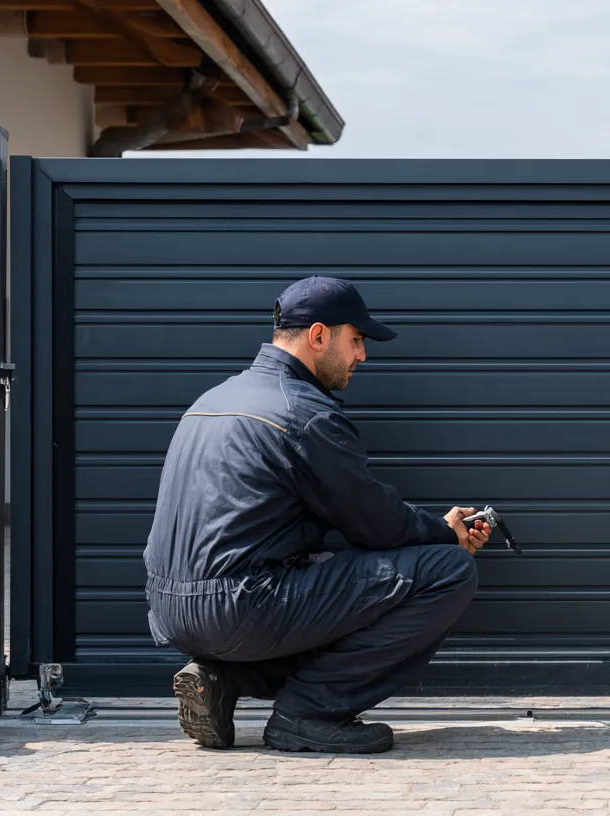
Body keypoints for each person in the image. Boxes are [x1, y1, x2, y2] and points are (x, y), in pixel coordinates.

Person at [142, 275, 491, 754]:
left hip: (172, 610)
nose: (362, 356)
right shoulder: (302, 412)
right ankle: (307, 713)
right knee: (446, 572)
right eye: (357, 340)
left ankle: (223, 678)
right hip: (238, 605)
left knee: (326, 578)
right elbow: (374, 524)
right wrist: (444, 532)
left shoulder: (212, 400)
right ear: (319, 336)